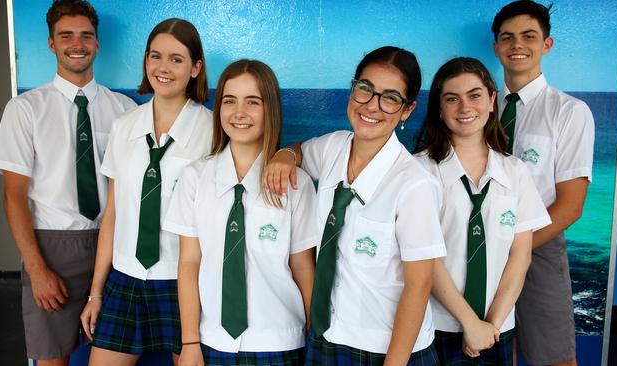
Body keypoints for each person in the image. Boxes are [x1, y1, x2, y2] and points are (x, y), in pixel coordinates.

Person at [265, 46, 445, 365]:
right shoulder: (334, 147)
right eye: (364, 89)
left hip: (387, 348)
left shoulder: (414, 184)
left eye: (390, 98)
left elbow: (419, 287)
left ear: (407, 110)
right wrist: (284, 157)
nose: (371, 106)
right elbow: (299, 151)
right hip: (330, 335)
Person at [0, 1, 136, 365]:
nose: (77, 43)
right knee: (53, 358)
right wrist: (37, 269)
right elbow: (14, 197)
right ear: (52, 44)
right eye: (66, 35)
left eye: (86, 35)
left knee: (114, 353)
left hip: (114, 247)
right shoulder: (25, 109)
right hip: (53, 247)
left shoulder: (126, 111)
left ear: (98, 44)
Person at [163, 59, 317, 366]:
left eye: (253, 102)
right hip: (212, 341)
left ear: (270, 109)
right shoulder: (195, 178)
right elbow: (190, 263)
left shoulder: (296, 184)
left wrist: (316, 339)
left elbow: (302, 267)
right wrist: (190, 341)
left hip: (280, 341)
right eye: (229, 101)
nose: (239, 113)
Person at [78, 18, 212, 366]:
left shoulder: (213, 131)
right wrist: (95, 293)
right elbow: (113, 215)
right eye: (155, 56)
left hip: (183, 281)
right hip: (126, 277)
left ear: (196, 67)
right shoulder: (123, 127)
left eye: (176, 59)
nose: (162, 68)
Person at [413, 57, 550, 365]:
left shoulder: (515, 171)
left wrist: (492, 324)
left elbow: (520, 255)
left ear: (491, 100)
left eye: (475, 95)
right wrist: (469, 323)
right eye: (452, 99)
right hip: (436, 325)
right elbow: (425, 257)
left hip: (497, 326)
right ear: (438, 108)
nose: (465, 107)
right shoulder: (419, 171)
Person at [491, 1, 595, 365]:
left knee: (553, 356)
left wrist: (515, 252)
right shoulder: (481, 107)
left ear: (546, 44)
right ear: (496, 47)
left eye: (528, 36)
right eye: (507, 37)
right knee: (487, 348)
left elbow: (571, 205)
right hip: (481, 245)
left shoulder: (569, 112)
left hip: (539, 244)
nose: (517, 45)